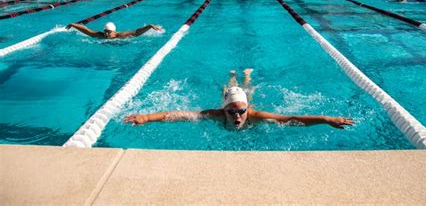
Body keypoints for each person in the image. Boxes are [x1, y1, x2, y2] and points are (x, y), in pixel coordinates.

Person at [125, 69, 354, 130]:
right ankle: (233, 77)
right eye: (232, 112)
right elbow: (175, 115)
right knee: (230, 89)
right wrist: (146, 117)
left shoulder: (253, 115)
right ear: (223, 111)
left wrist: (325, 118)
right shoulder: (215, 114)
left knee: (246, 89)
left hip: (242, 98)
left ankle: (246, 76)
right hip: (229, 98)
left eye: (241, 111)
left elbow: (289, 119)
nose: (237, 116)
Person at [66, 22, 163, 39]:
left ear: (114, 31)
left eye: (109, 32)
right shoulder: (101, 35)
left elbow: (136, 32)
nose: (107, 34)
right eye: (105, 32)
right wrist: (73, 25)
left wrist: (149, 26)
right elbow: (87, 31)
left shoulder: (120, 35)